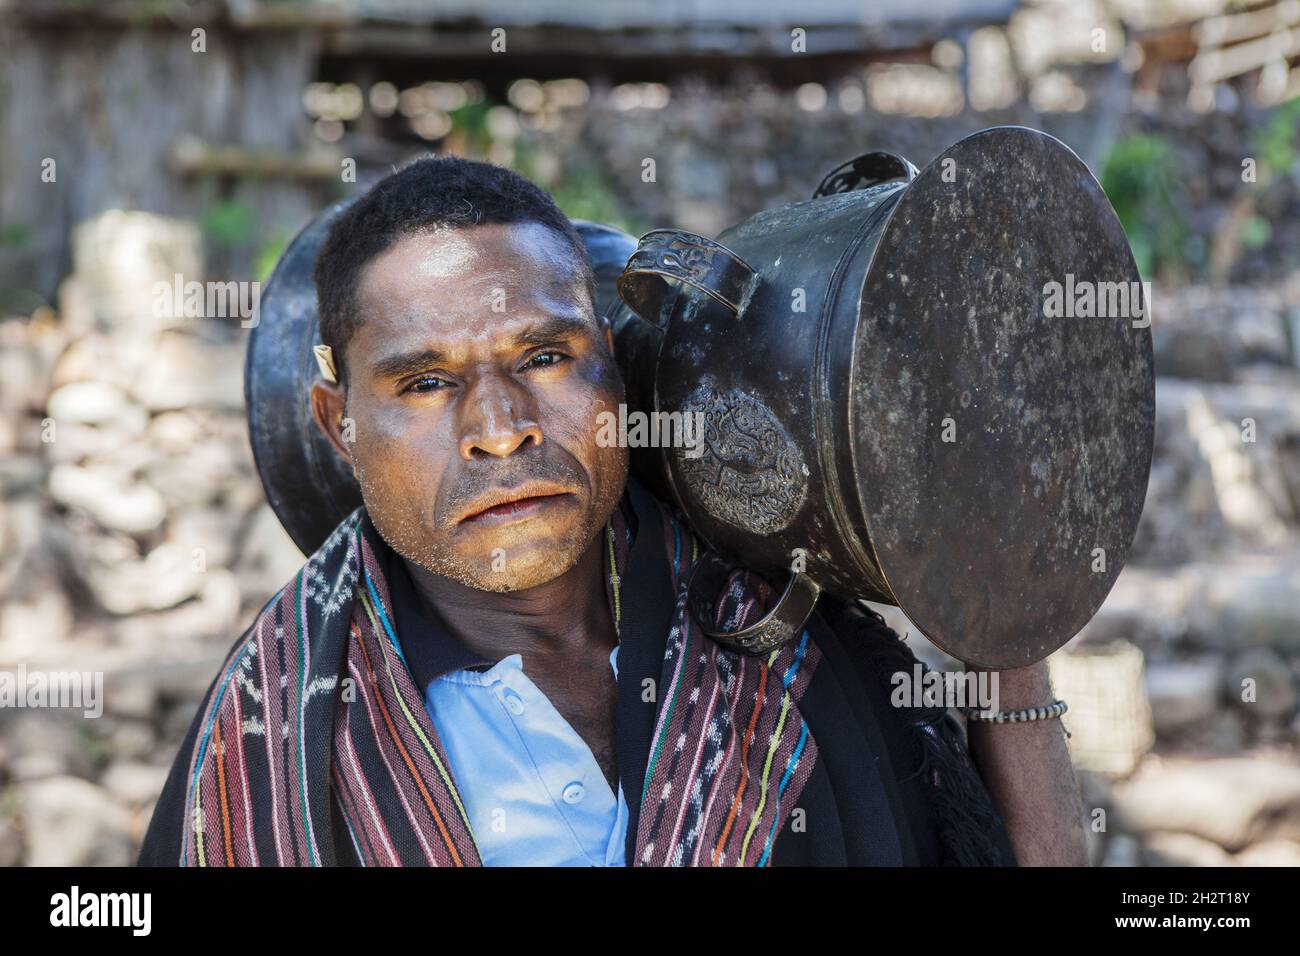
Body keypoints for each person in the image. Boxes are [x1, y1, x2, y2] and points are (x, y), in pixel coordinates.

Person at [138, 156, 1085, 867]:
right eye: (426, 382)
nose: (501, 431)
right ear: (339, 425)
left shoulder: (784, 636)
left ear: (615, 369)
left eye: (545, 357)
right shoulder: (274, 738)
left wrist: (990, 590)